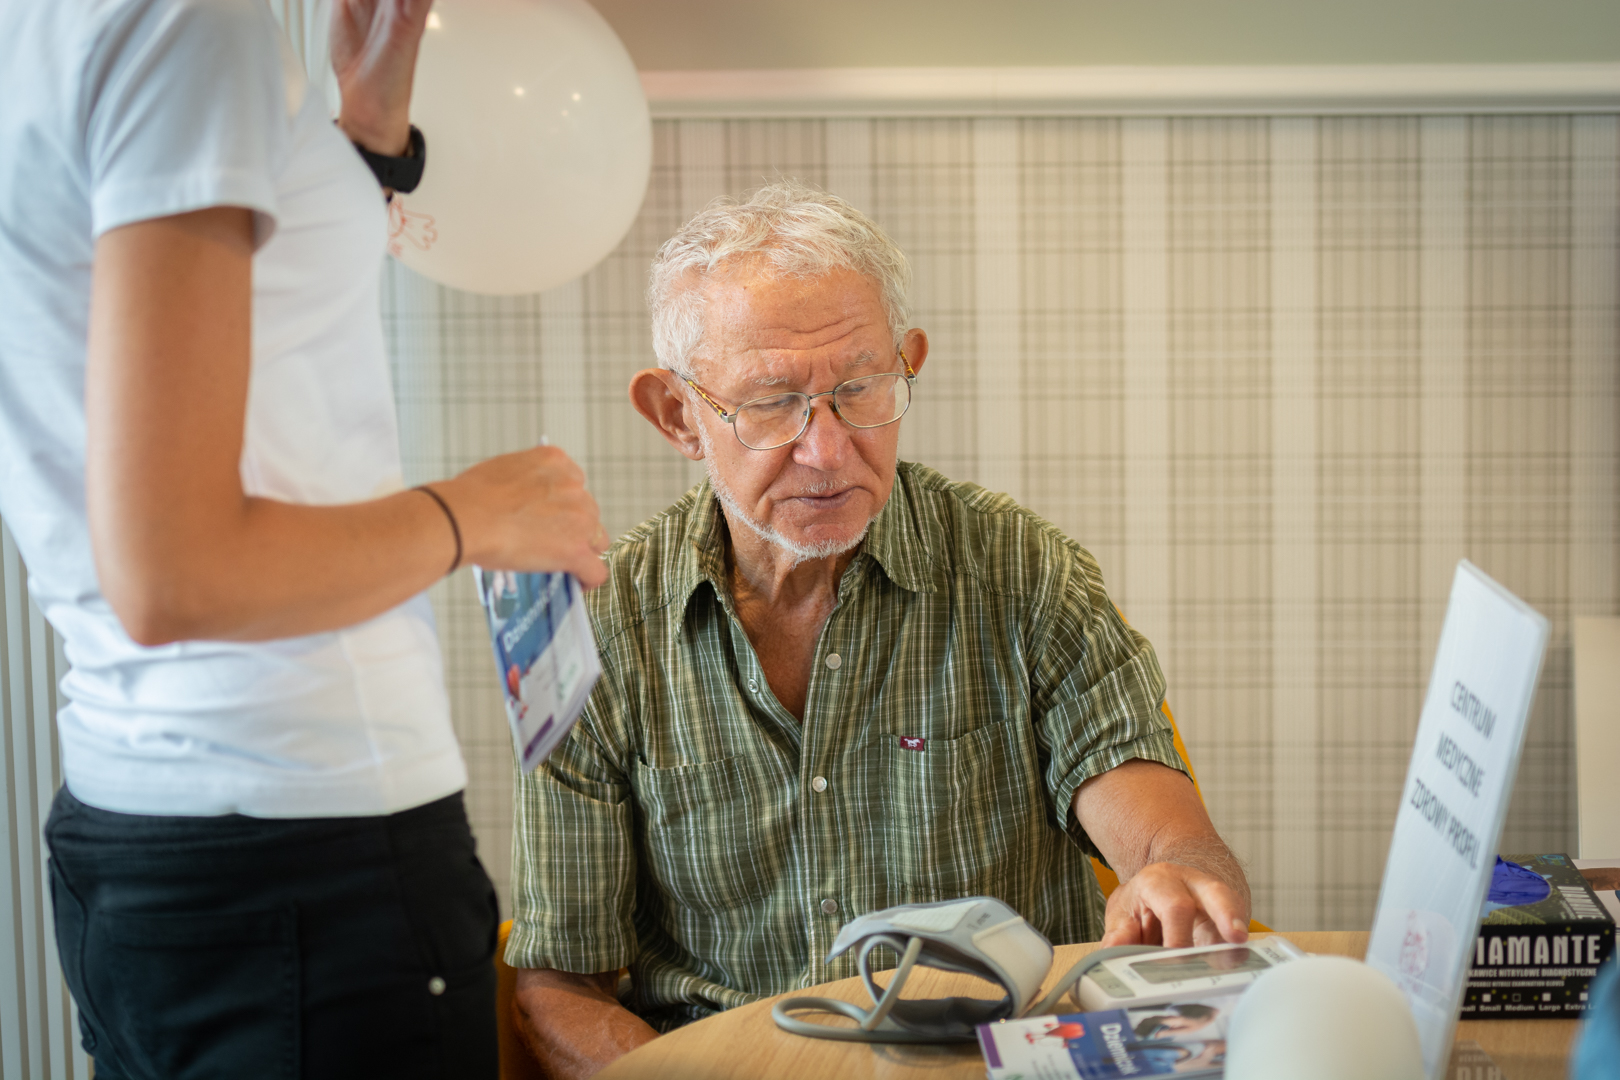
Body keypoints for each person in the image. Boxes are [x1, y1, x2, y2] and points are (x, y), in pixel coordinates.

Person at [506, 182, 1252, 1077]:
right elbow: (560, 985)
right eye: (771, 403)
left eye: (860, 388)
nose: (826, 452)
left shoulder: (1022, 571)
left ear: (908, 363)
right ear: (680, 416)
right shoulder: (598, 622)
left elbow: (1171, 843)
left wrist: (1176, 876)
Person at [0, 0, 608, 1076]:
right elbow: (173, 573)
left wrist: (367, 131)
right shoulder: (181, 26)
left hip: (153, 828)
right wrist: (476, 513)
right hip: (303, 854)